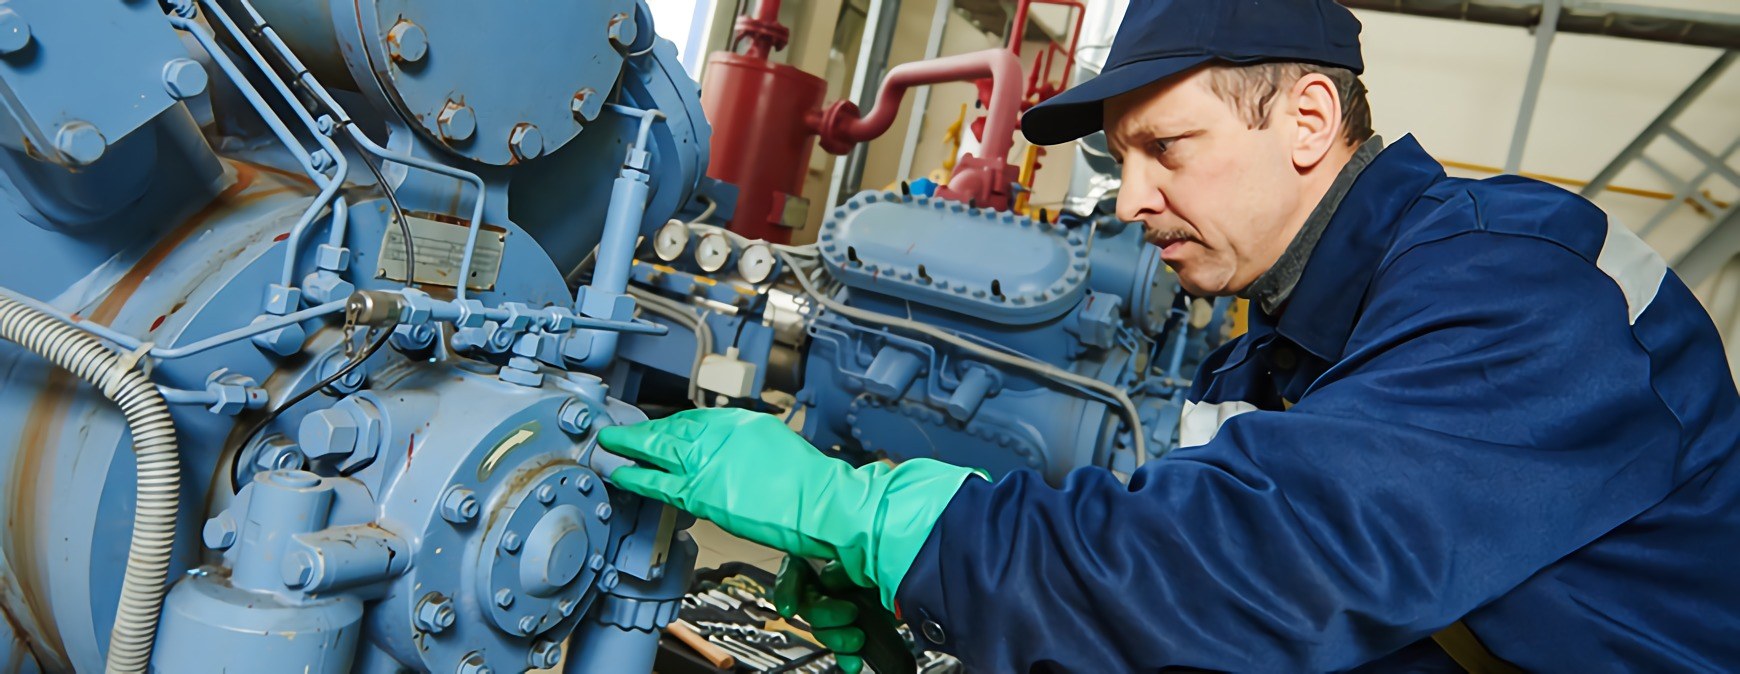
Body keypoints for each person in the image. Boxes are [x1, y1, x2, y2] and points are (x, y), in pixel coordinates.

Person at [599, 0, 1740, 670]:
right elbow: (1164, 570)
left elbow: (1246, 568)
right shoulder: (1282, 345)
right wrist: (928, 596)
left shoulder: (1514, 290)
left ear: (1307, 122)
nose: (1132, 198)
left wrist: (887, 523)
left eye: (1166, 149)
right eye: (1119, 158)